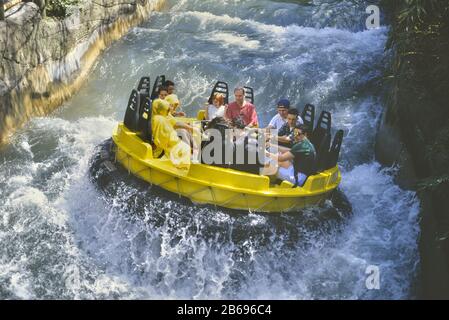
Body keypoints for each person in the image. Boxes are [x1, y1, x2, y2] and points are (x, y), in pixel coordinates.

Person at [150, 99, 191, 170]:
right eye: (167, 110)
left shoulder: (157, 117)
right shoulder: (160, 120)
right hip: (160, 152)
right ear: (161, 110)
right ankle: (181, 168)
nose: (169, 112)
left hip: (163, 147)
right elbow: (164, 139)